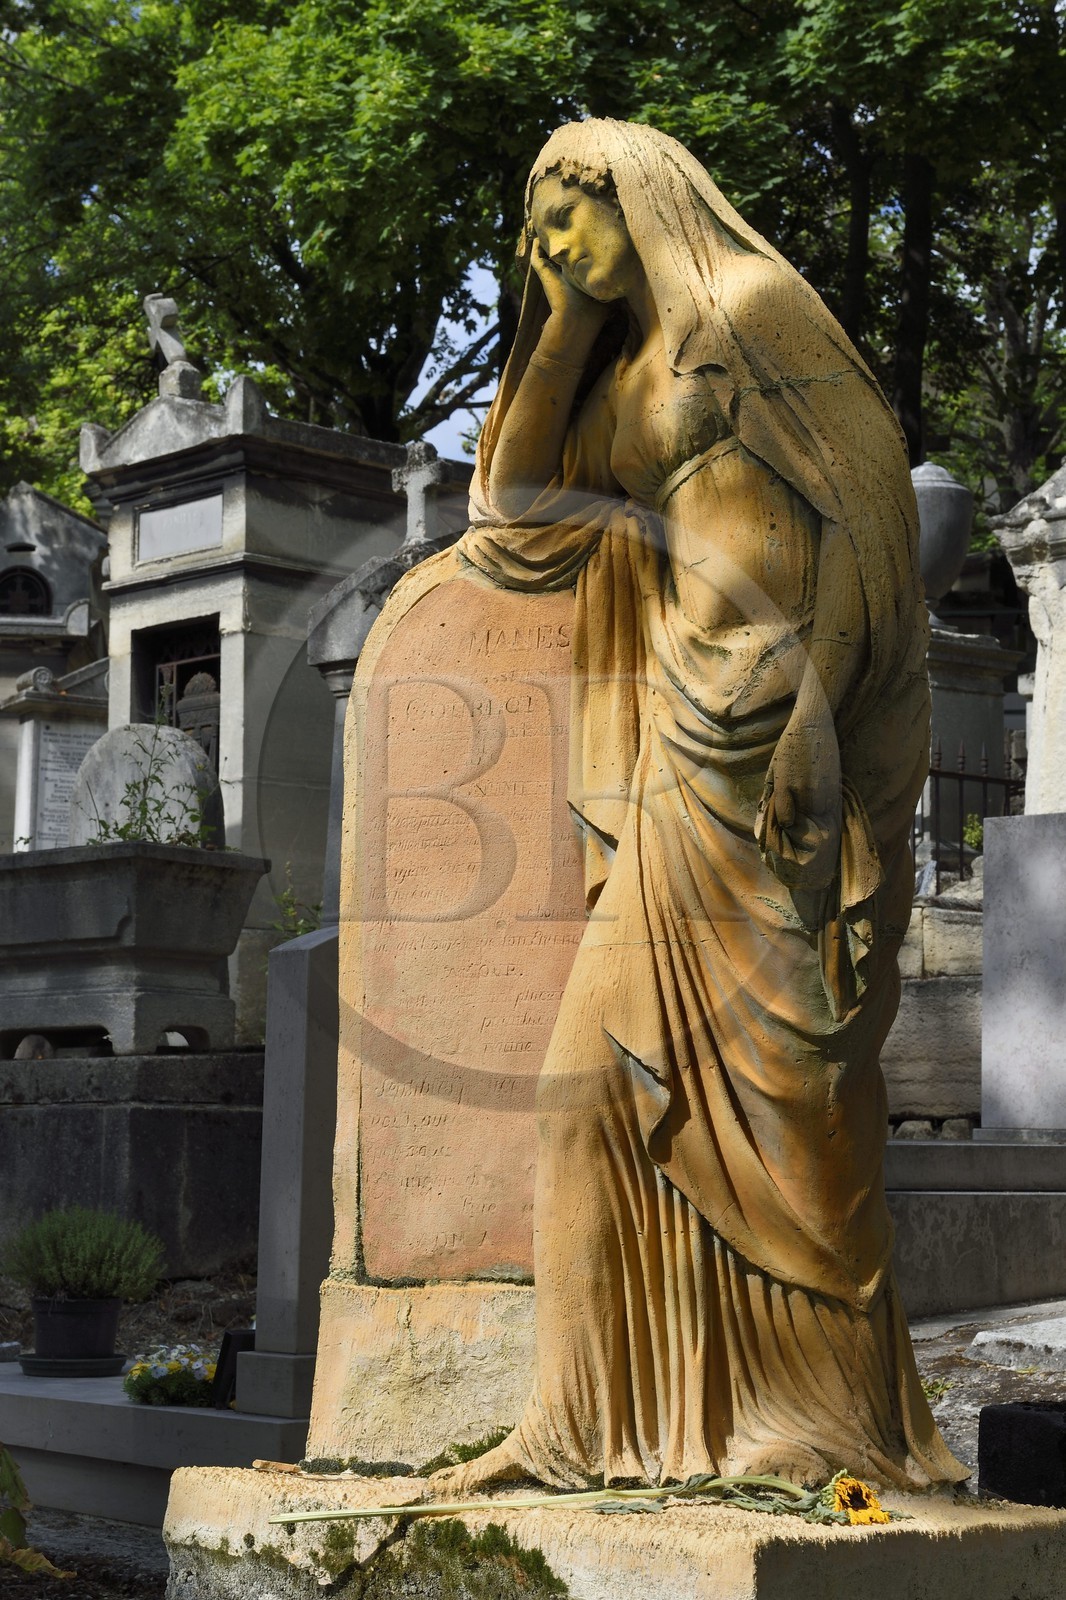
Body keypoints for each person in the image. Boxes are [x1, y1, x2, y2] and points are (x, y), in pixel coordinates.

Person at [432, 118, 966, 1494]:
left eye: (569, 213)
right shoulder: (611, 374)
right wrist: (556, 324)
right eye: (535, 226)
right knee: (586, 1088)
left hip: (778, 741)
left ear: (637, 189)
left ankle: (818, 1422)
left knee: (788, 1101)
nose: (551, 241)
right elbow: (507, 513)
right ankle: (588, 1428)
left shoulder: (755, 310)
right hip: (677, 740)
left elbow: (864, 518)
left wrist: (814, 706)